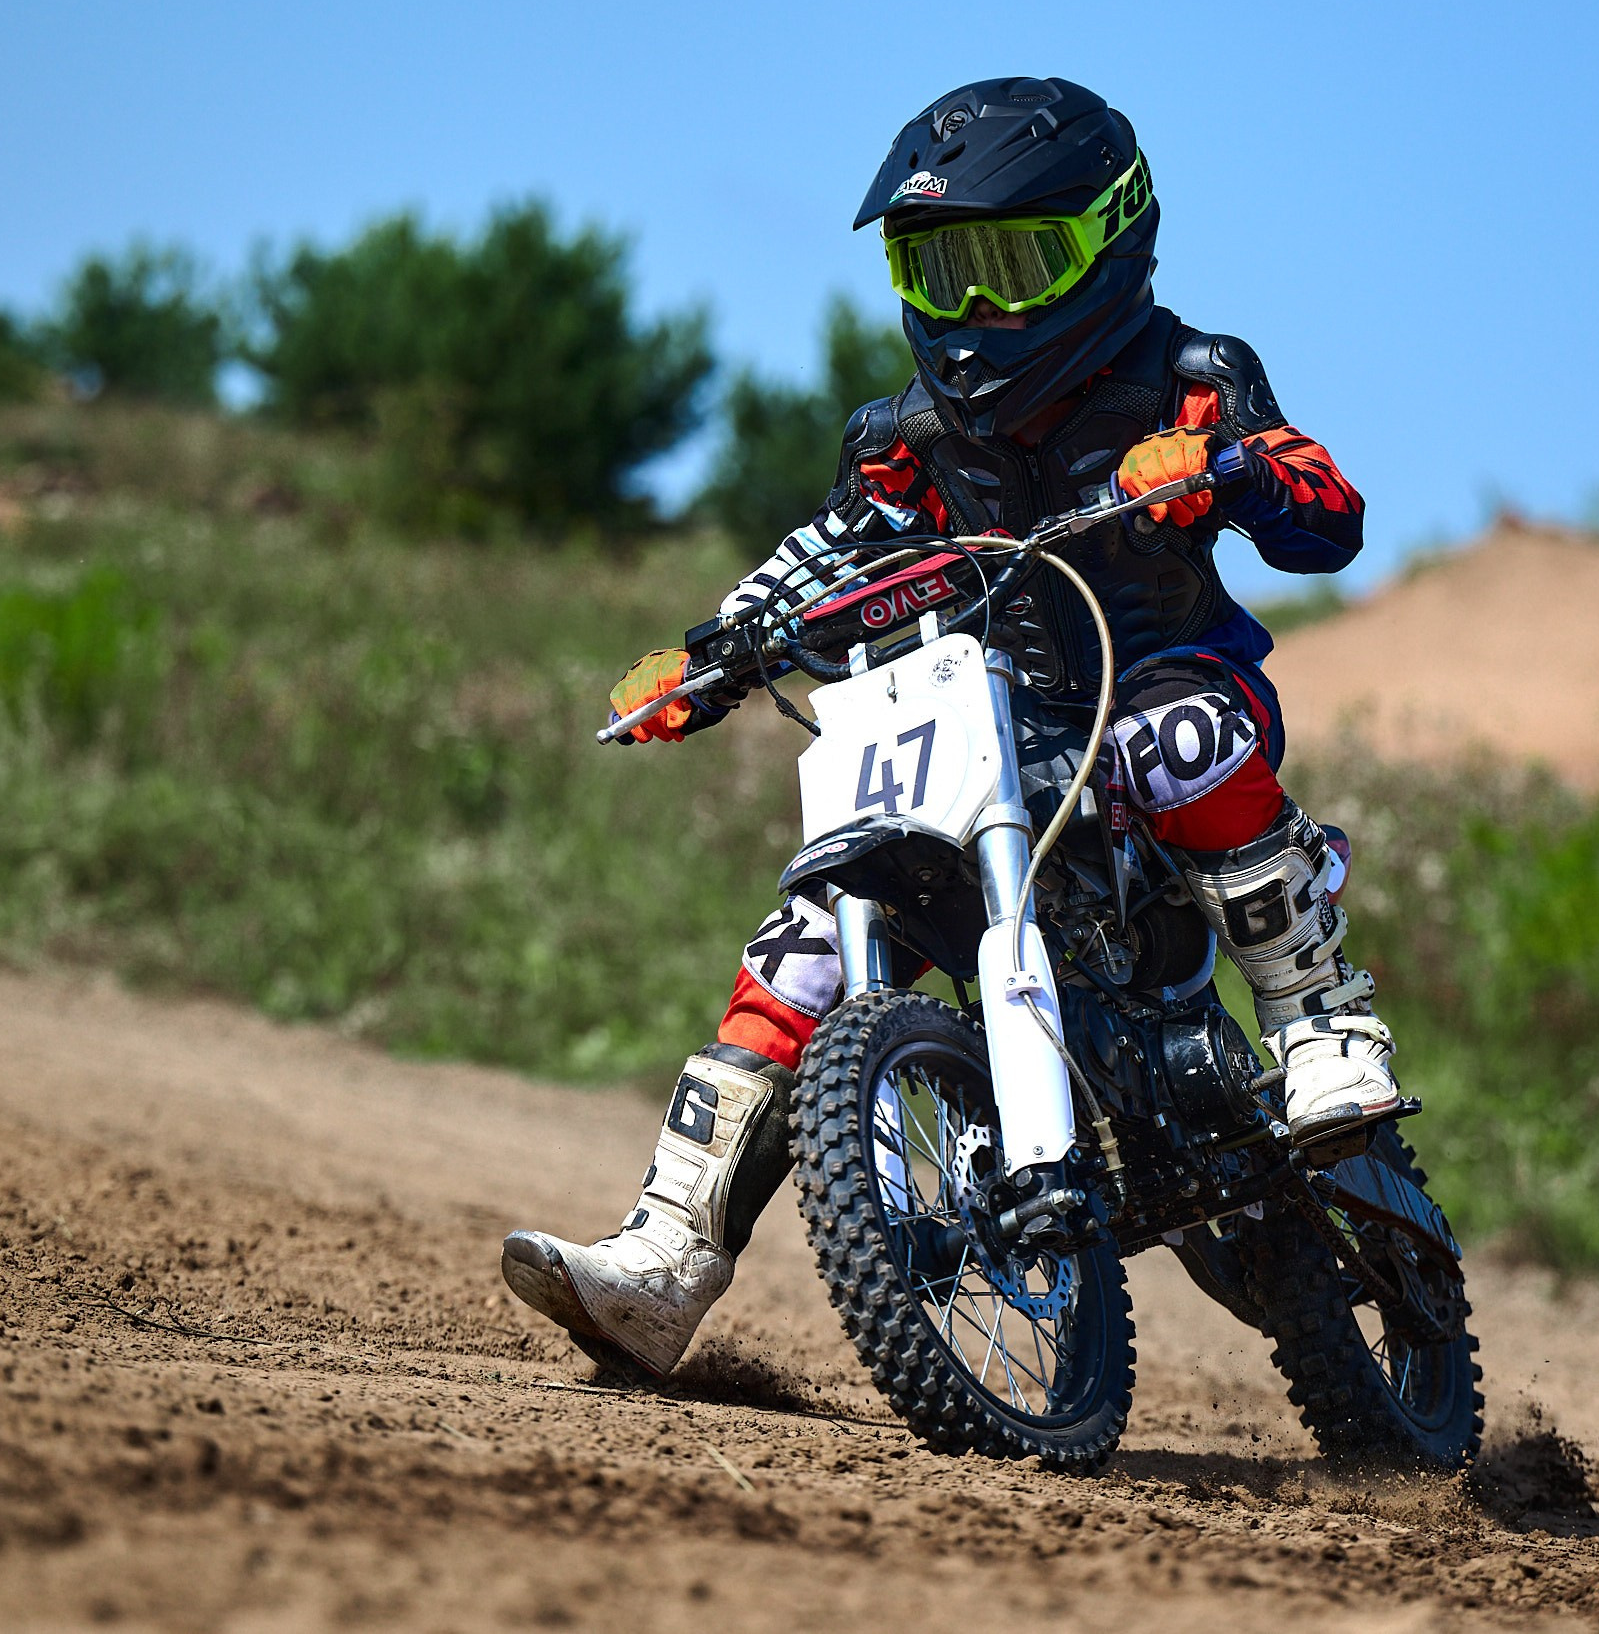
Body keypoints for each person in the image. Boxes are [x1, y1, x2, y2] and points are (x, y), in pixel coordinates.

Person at [502, 77, 1394, 1380]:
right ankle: (667, 1252)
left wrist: (1233, 471)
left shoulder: (1189, 380)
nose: (972, 313)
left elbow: (1329, 511)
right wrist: (708, 656)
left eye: (1009, 268)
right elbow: (826, 553)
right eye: (942, 271)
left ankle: (1318, 1022)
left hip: (1162, 698)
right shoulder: (901, 438)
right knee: (802, 945)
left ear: (1111, 237)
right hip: (986, 741)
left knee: (1180, 731)